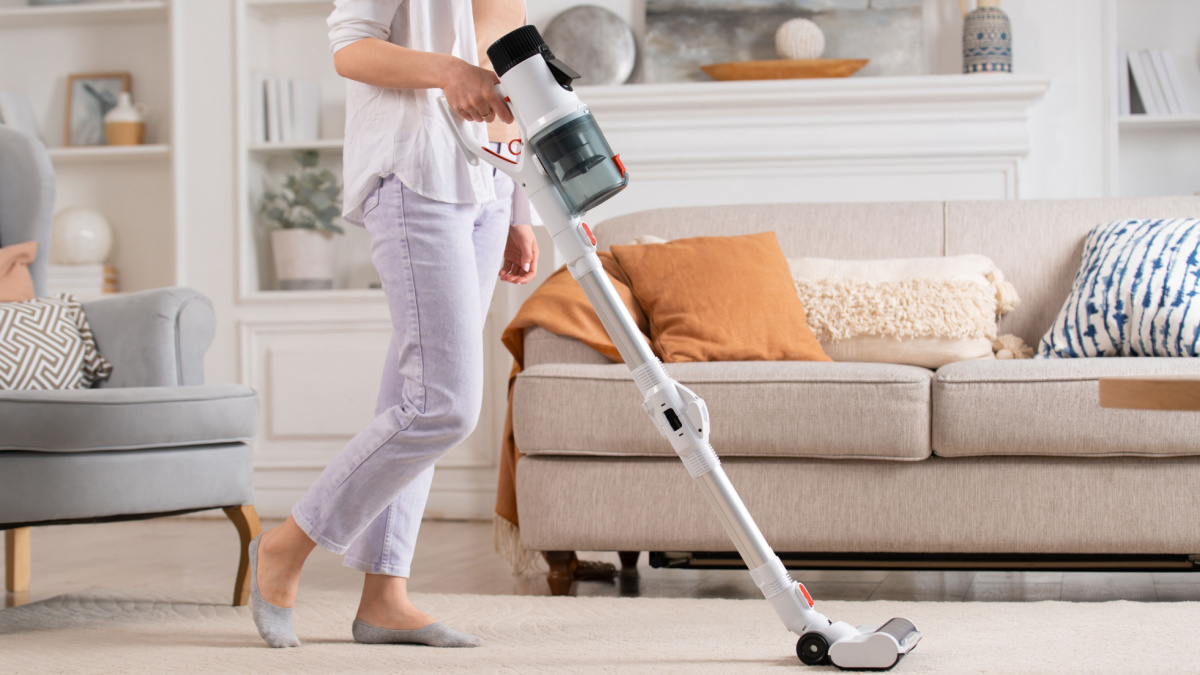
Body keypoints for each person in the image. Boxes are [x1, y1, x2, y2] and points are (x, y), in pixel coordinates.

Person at [246, 0, 535, 649]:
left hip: (486, 185)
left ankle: (384, 597)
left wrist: (518, 204)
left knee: (414, 396)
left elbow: (507, 72)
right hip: (415, 174)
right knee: (443, 405)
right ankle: (286, 545)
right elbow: (351, 47)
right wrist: (446, 71)